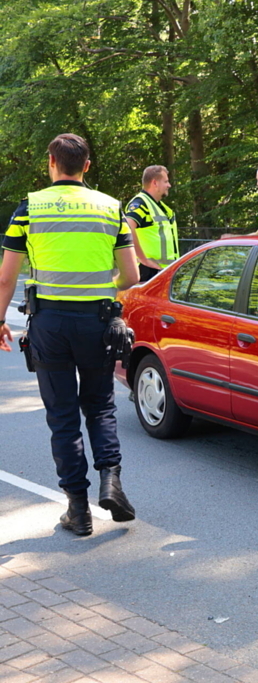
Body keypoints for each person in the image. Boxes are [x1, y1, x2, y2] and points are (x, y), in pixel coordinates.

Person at [0, 133, 140, 537]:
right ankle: (111, 482)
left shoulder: (30, 209)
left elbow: (7, 276)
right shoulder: (112, 209)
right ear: (87, 167)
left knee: (62, 417)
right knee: (100, 406)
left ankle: (77, 511)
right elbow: (131, 276)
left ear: (51, 162)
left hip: (49, 324)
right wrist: (100, 287)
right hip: (98, 323)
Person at [125, 165, 179, 282]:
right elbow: (127, 228)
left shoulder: (161, 207)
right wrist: (144, 259)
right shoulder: (141, 203)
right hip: (148, 272)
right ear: (155, 183)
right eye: (166, 181)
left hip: (161, 272)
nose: (169, 185)